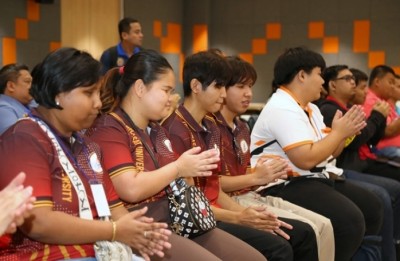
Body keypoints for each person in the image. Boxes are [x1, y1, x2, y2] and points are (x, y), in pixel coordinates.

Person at [88, 49, 267, 261]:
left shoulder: (157, 130)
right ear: (139, 88)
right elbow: (131, 189)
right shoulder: (110, 128)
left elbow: (186, 185)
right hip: (144, 227)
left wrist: (186, 172)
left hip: (179, 219)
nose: (172, 98)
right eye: (166, 90)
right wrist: (179, 168)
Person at [0, 47, 171, 260]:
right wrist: (116, 231)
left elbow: (114, 208)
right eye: (89, 93)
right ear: (58, 93)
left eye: (98, 93)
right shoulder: (25, 138)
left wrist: (138, 234)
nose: (98, 103)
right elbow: (40, 223)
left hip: (99, 250)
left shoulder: (87, 146)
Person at [163, 50, 319, 261]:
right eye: (219, 86)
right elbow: (190, 204)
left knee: (303, 233)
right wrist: (239, 216)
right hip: (196, 219)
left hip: (218, 209)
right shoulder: (175, 130)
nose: (224, 95)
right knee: (279, 247)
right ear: (196, 86)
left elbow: (214, 189)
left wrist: (245, 214)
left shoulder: (211, 127)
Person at [250, 47, 383, 261]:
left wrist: (343, 134)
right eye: (319, 74)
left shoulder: (311, 108)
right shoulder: (282, 107)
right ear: (302, 75)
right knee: (349, 221)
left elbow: (329, 154)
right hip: (280, 184)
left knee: (372, 205)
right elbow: (305, 159)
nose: (322, 81)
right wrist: (339, 132)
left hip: (310, 178)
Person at [216, 55, 335, 261]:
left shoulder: (242, 127)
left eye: (250, 86)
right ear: (220, 89)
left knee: (323, 226)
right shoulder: (210, 128)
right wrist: (256, 177)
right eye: (240, 86)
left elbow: (241, 172)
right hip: (230, 201)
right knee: (304, 233)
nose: (248, 94)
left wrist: (264, 173)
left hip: (251, 194)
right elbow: (212, 186)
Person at [319, 64, 400, 261]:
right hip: (343, 168)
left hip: (354, 164)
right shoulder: (329, 110)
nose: (353, 83)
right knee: (384, 193)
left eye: (355, 81)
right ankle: (388, 252)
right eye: (347, 79)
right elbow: (355, 141)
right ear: (332, 85)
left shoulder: (344, 108)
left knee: (391, 188)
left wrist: (376, 120)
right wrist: (377, 116)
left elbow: (368, 138)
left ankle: (391, 246)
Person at [359, 65, 400, 180]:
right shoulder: (371, 101)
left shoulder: (381, 101)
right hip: (381, 150)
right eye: (391, 82)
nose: (392, 87)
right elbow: (386, 131)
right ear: (377, 81)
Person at [0, 63, 36, 134]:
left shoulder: (29, 103)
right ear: (11, 86)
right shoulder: (3, 110)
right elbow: (15, 141)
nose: (32, 86)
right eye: (27, 82)